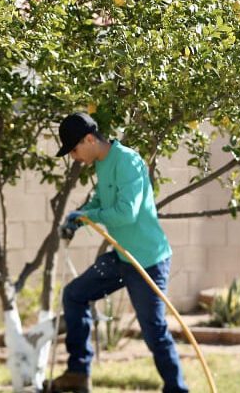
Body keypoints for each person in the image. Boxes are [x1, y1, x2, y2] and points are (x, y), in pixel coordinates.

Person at [45, 112, 188, 393]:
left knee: (154, 331)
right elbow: (103, 199)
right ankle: (78, 372)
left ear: (89, 138)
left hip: (147, 261)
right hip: (122, 258)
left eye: (74, 149)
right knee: (74, 295)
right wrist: (82, 214)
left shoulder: (128, 161)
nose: (74, 156)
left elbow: (126, 213)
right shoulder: (102, 163)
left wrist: (92, 216)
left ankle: (177, 389)